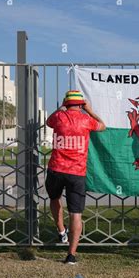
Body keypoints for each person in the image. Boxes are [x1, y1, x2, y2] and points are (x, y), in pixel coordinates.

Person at [45, 90, 106, 264]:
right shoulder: (87, 120)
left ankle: (61, 231)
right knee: (76, 213)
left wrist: (61, 107)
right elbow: (103, 125)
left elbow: (48, 121)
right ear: (81, 104)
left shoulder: (59, 117)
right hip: (77, 173)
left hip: (56, 169)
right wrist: (90, 109)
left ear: (66, 102)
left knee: (54, 198)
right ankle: (71, 255)